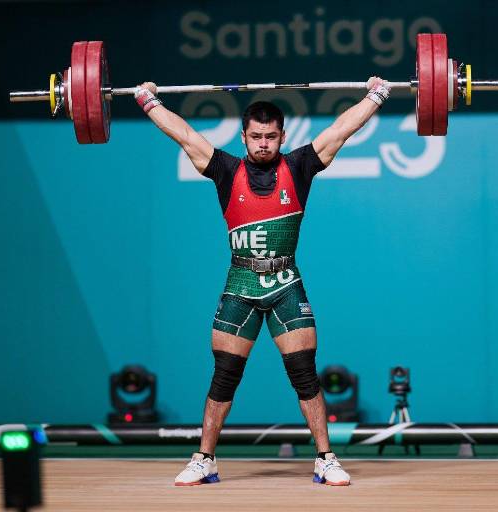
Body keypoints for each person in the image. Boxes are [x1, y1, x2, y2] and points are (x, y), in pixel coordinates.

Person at [133, 77, 392, 486]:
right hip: (240, 283)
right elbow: (181, 132)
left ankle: (325, 458)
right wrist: (147, 100)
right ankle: (205, 458)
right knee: (224, 375)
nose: (264, 144)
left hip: (286, 281)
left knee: (304, 373)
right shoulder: (224, 169)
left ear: (282, 135)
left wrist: (375, 96)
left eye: (271, 136)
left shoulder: (300, 166)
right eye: (256, 136)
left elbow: (342, 129)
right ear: (244, 136)